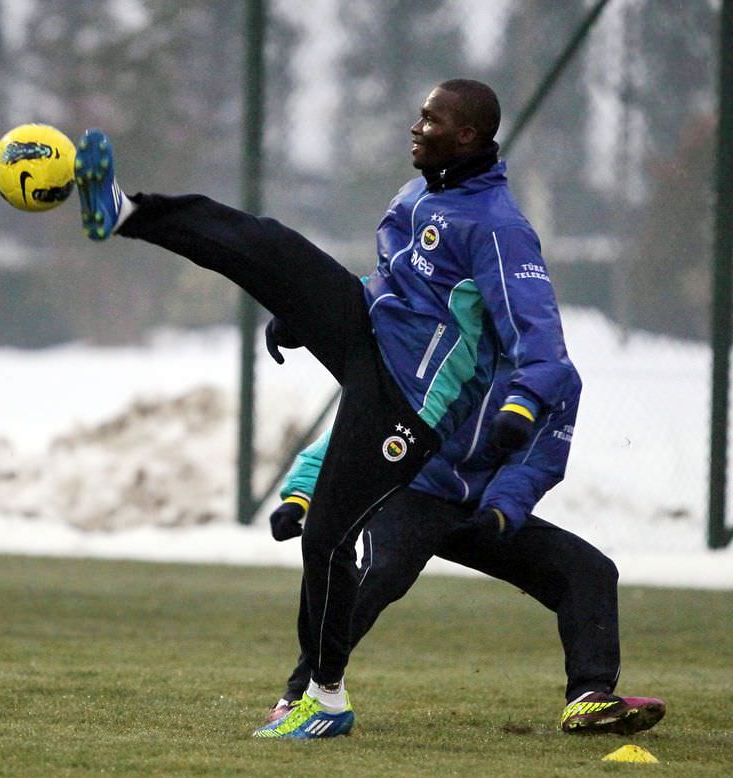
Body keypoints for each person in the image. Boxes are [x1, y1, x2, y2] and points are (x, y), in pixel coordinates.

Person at [75, 79, 580, 739]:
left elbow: (538, 336)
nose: (415, 126)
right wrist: (301, 313)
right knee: (270, 245)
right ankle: (126, 212)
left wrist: (520, 407)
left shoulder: (499, 227)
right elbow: (395, 287)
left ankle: (326, 698)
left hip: (411, 403)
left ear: (467, 137)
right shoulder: (418, 194)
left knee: (326, 539)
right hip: (367, 339)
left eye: (430, 118)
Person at [262, 355, 666, 736]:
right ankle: (300, 696)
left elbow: (536, 462)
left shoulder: (557, 378)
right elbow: (357, 430)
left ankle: (588, 698)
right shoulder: (449, 350)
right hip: (407, 493)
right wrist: (300, 495)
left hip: (482, 508)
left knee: (587, 570)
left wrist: (502, 509)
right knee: (379, 573)